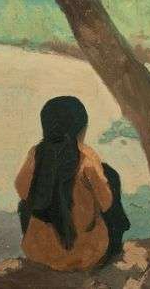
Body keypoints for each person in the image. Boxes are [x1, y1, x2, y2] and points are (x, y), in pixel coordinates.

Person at [15, 96, 129, 271]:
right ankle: (114, 249)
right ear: (81, 129)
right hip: (86, 256)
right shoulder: (87, 158)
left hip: (39, 253)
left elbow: (21, 190)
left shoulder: (36, 154)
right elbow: (106, 203)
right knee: (110, 175)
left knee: (26, 202)